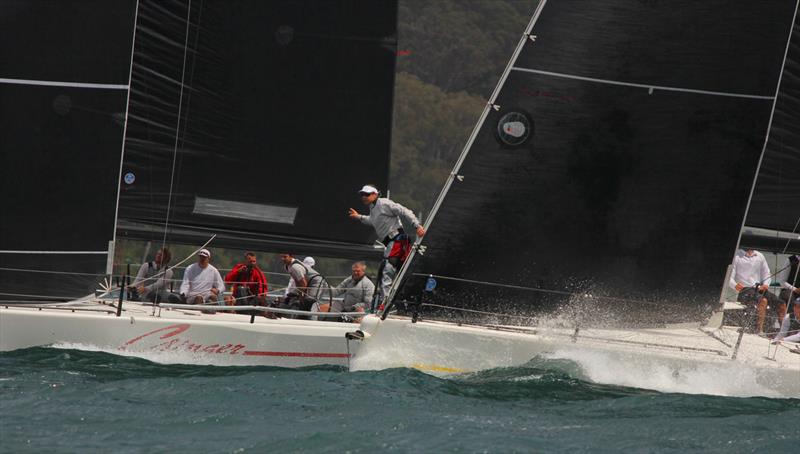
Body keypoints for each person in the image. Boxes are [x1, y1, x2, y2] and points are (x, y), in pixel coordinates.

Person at [348, 184, 424, 309]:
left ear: (375, 194)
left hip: (396, 241)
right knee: (402, 273)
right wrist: (359, 217)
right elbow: (372, 220)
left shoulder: (383, 203)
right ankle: (407, 303)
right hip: (395, 242)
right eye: (362, 194)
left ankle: (386, 304)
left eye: (367, 194)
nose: (364, 197)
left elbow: (404, 210)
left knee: (386, 271)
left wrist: (417, 225)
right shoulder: (373, 208)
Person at [728, 249, 783, 334]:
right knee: (763, 301)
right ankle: (759, 331)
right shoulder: (737, 255)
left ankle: (782, 333)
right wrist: (734, 285)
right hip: (745, 289)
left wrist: (765, 284)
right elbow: (729, 276)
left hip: (759, 288)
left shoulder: (760, 256)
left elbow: (767, 274)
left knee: (781, 304)